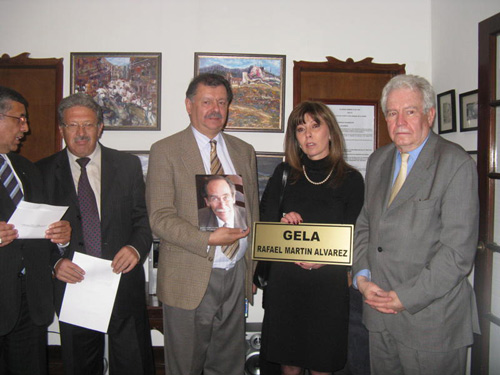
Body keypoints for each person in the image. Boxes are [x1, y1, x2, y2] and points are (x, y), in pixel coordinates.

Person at [352, 74, 480, 375]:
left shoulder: (455, 164)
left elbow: (457, 255)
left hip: (432, 322)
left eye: (410, 111)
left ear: (430, 115)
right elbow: (365, 225)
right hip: (378, 314)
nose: (400, 122)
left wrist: (404, 298)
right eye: (392, 113)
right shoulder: (377, 161)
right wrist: (362, 276)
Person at [146, 73, 259, 375]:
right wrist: (207, 239)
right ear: (188, 105)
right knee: (186, 367)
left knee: (228, 365)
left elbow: (254, 213)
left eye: (222, 102)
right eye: (207, 101)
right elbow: (159, 218)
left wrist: (250, 269)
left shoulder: (243, 150)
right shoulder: (165, 150)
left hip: (235, 274)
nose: (215, 109)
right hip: (190, 274)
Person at [36, 93, 154, 375]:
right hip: (74, 285)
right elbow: (35, 233)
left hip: (122, 281)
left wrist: (136, 249)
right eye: (72, 125)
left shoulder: (127, 166)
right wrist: (55, 262)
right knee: (80, 367)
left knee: (133, 364)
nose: (80, 133)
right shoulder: (40, 172)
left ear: (100, 127)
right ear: (61, 129)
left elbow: (144, 220)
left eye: (88, 125)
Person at [259, 101, 365, 375]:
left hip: (327, 287)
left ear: (330, 131)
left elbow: (357, 236)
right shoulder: (283, 175)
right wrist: (284, 225)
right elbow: (265, 228)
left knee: (322, 363)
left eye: (315, 126)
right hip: (286, 286)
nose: (308, 135)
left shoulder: (352, 180)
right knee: (289, 363)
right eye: (301, 129)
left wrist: (325, 261)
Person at [0, 86, 71, 374]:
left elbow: (41, 227)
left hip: (31, 302)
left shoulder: (27, 168)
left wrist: (61, 238)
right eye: (20, 119)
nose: (25, 128)